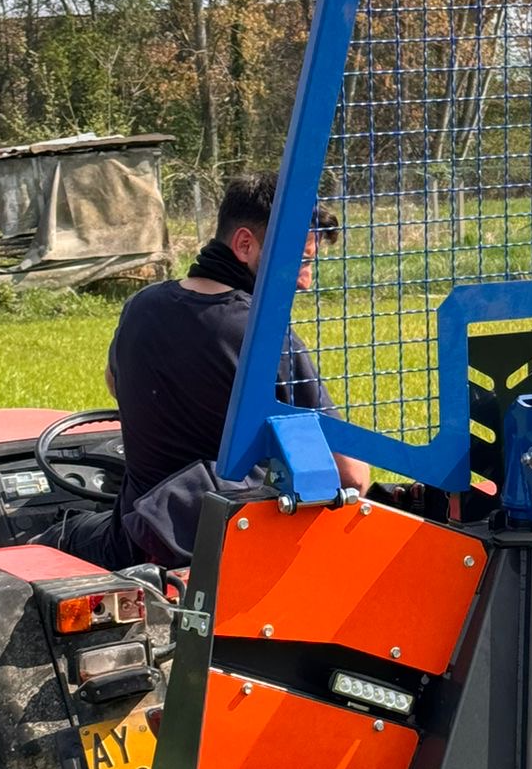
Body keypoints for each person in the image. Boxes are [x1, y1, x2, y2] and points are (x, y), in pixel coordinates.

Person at [48, 176, 368, 569]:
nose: (305, 281)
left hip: (132, 541)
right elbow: (350, 476)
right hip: (232, 550)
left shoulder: (142, 306)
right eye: (300, 262)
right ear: (245, 244)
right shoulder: (264, 336)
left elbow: (115, 384)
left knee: (53, 537)